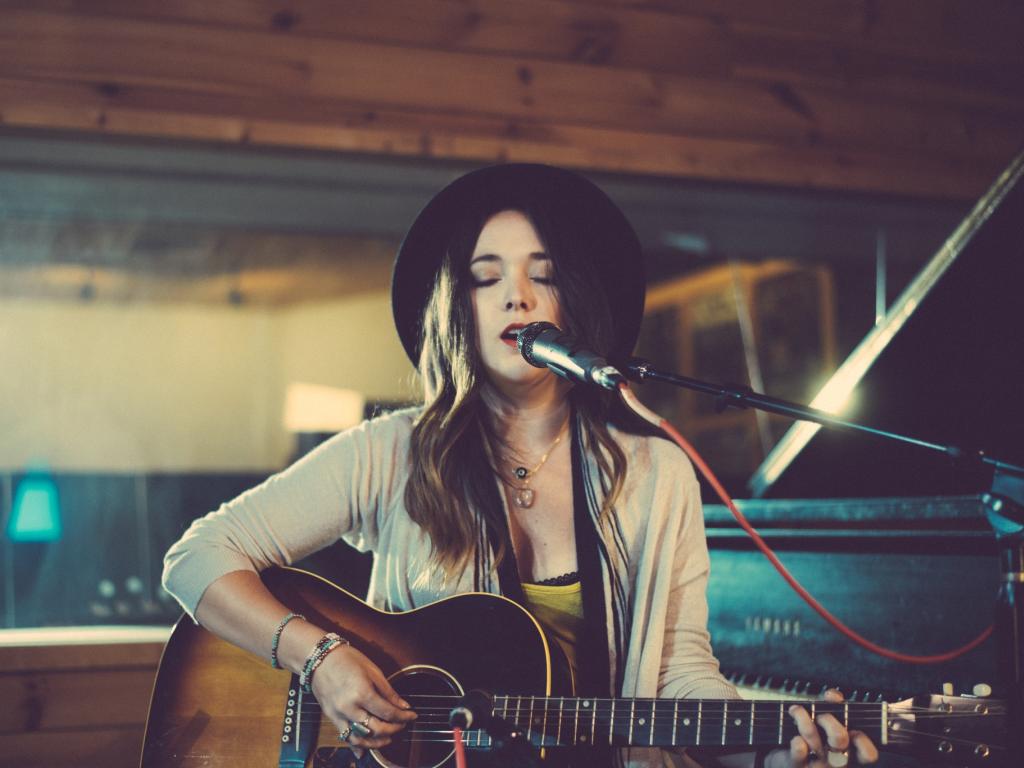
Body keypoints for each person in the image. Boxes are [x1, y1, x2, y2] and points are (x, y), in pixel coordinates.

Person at [162, 164, 879, 768]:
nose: (518, 296)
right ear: (459, 307)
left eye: (545, 275)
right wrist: (318, 659)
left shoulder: (659, 473)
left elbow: (679, 676)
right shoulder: (389, 452)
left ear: (576, 306)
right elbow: (196, 558)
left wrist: (776, 751)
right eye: (486, 277)